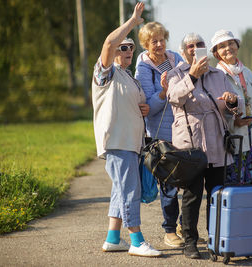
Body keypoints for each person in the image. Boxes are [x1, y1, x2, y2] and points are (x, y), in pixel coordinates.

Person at [91, 2, 161, 257]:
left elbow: (137, 105)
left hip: (132, 143)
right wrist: (133, 22)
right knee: (129, 190)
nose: (128, 49)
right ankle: (137, 240)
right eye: (124, 47)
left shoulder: (129, 76)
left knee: (120, 190)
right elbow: (108, 44)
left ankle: (112, 238)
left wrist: (143, 109)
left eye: (131, 47)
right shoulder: (105, 74)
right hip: (117, 142)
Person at [165, 33, 242, 259]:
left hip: (217, 141)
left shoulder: (217, 74)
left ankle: (215, 238)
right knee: (191, 195)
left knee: (216, 194)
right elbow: (174, 97)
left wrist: (232, 101)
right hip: (190, 146)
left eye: (199, 45)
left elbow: (234, 104)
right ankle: (190, 242)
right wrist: (191, 75)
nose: (195, 49)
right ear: (183, 52)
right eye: (190, 46)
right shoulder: (175, 74)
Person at [134, 21, 185, 248]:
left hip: (184, 130)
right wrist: (164, 93)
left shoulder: (176, 59)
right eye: (153, 41)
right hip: (160, 134)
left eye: (162, 39)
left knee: (191, 181)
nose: (159, 44)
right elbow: (148, 107)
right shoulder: (143, 67)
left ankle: (186, 225)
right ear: (146, 44)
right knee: (169, 185)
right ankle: (170, 230)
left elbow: (190, 86)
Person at [210, 29, 252, 184]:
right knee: (234, 186)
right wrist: (233, 122)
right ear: (217, 54)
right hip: (231, 143)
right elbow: (214, 111)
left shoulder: (247, 72)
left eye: (231, 43)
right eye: (222, 46)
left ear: (237, 46)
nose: (228, 48)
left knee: (251, 185)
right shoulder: (216, 75)